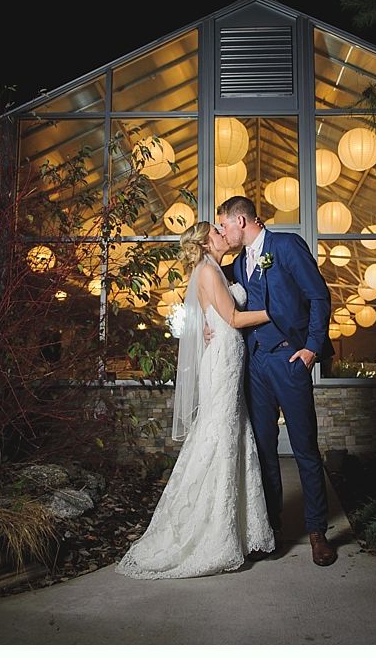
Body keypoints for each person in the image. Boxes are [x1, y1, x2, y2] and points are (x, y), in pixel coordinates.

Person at [117, 222, 275, 578]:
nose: (223, 232)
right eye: (218, 230)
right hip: (223, 360)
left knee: (230, 435)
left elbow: (218, 316)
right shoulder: (206, 271)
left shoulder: (217, 268)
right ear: (206, 241)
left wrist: (213, 324)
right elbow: (232, 317)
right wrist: (275, 313)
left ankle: (234, 529)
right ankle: (209, 533)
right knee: (217, 437)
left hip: (227, 356)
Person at [216, 196, 337, 567]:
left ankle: (317, 532)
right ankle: (271, 529)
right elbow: (219, 298)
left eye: (224, 225)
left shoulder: (285, 245)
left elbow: (319, 296)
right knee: (263, 449)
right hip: (255, 364)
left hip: (289, 358)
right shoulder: (236, 262)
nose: (222, 231)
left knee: (304, 448)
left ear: (240, 220)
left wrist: (311, 349)